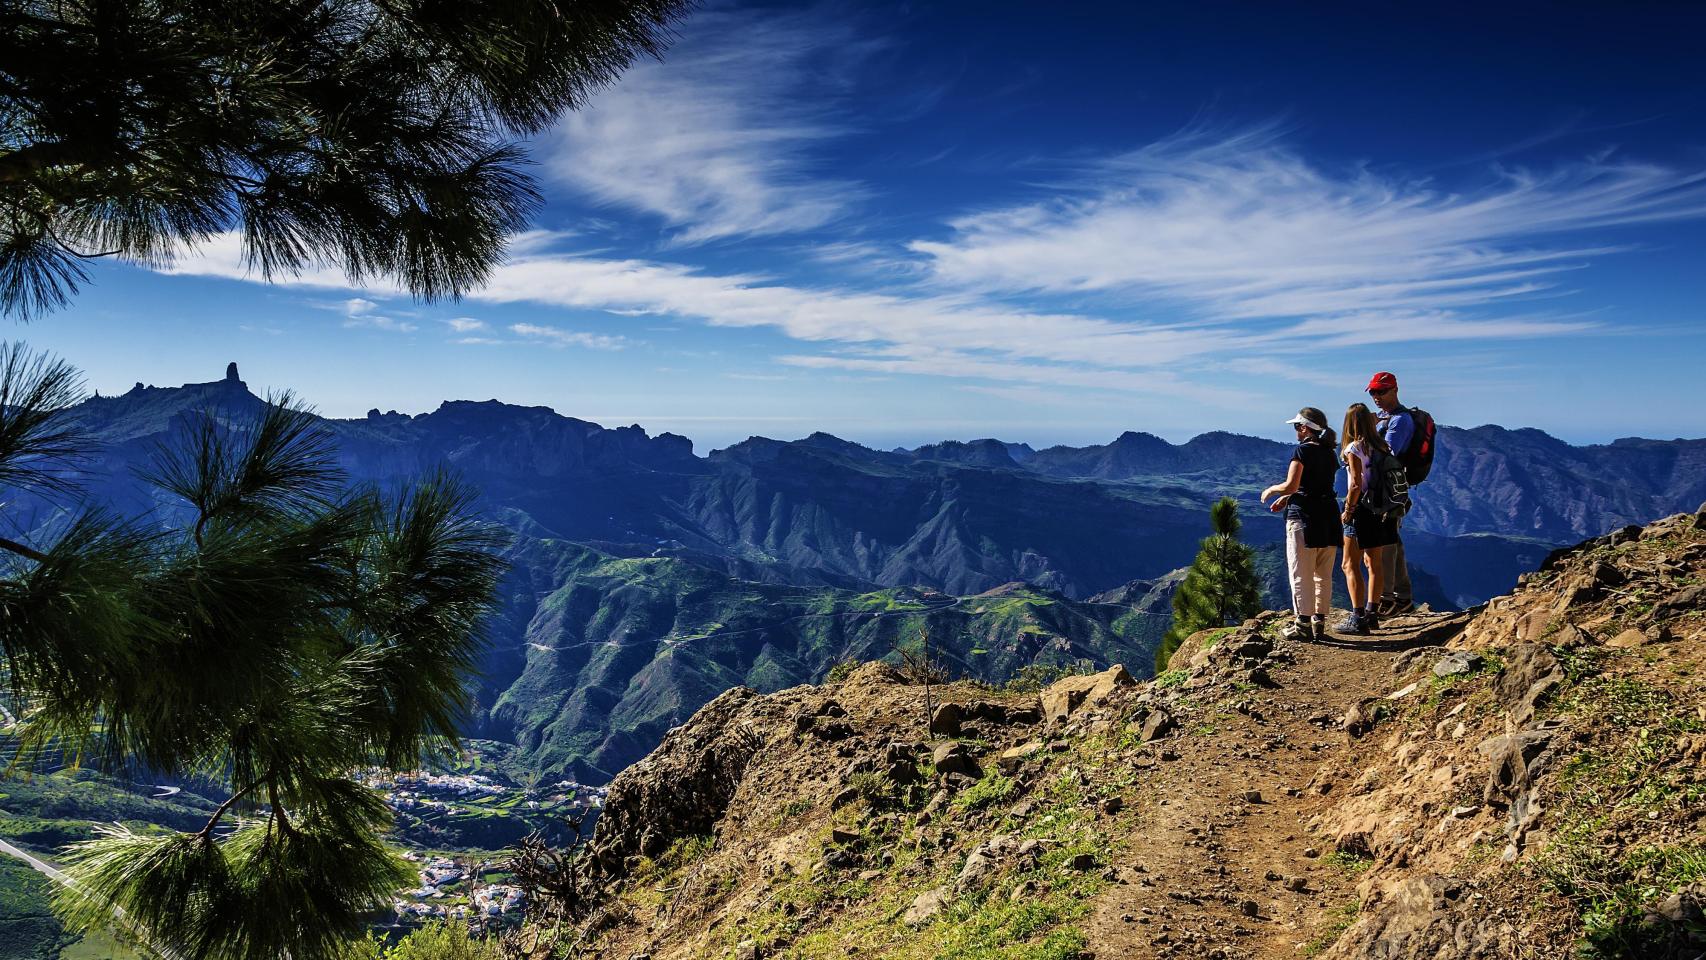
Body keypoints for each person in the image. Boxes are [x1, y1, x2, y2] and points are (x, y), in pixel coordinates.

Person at [1261, 408, 1341, 641]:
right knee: (1323, 573)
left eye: (1297, 426)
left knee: (1300, 572)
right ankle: (1319, 623)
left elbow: (1291, 485)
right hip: (1328, 515)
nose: (1295, 430)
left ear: (1306, 428)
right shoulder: (1329, 453)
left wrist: (1273, 490)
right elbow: (1316, 485)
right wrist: (1288, 498)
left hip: (1304, 517)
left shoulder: (1303, 451)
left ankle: (1302, 625)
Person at [1336, 403, 1397, 635]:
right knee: (1374, 563)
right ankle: (1372, 614)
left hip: (1361, 509)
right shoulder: (1382, 446)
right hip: (1380, 509)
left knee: (1349, 564)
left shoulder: (1354, 448)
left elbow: (1355, 484)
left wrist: (1348, 511)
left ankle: (1357, 617)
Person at [1366, 372, 1415, 616]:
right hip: (1387, 489)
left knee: (1384, 542)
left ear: (1395, 390)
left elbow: (1388, 453)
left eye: (1381, 391)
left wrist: (1369, 432)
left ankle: (1387, 599)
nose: (1376, 396)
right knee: (1392, 541)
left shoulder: (1400, 421)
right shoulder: (1387, 418)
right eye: (1373, 392)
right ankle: (1402, 597)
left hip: (1389, 492)